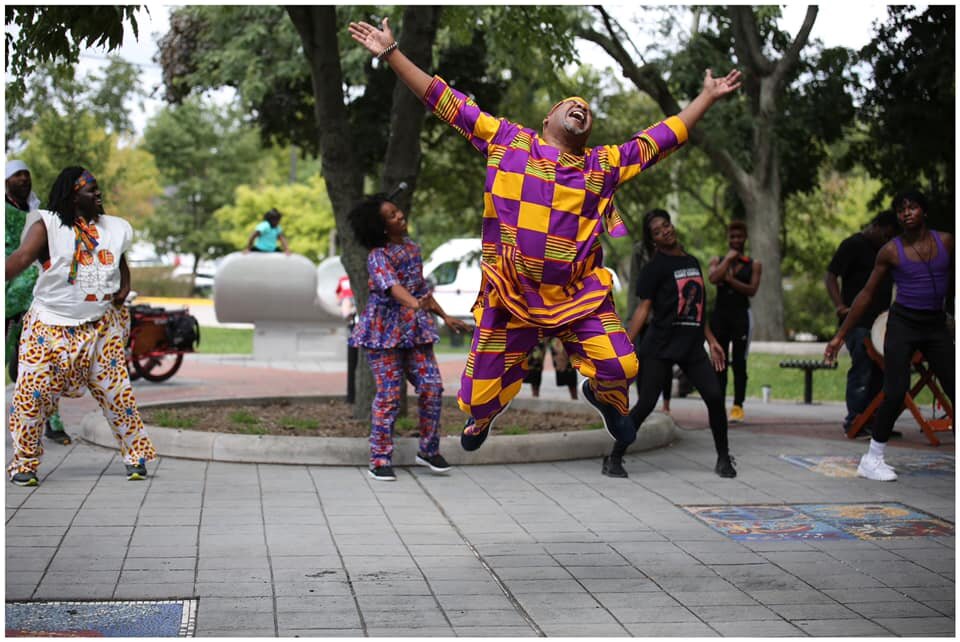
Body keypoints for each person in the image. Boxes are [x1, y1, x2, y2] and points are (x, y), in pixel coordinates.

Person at [348, 18, 742, 452]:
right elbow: (443, 100)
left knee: (621, 364)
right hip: (512, 293)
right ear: (548, 118)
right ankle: (484, 415)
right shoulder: (507, 141)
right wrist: (392, 53)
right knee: (474, 396)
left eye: (587, 109)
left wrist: (705, 96)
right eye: (571, 104)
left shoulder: (603, 165)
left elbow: (661, 139)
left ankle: (603, 396)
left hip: (577, 296)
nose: (582, 107)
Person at [5, 166, 157, 486]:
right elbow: (19, 259)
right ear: (73, 195)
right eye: (91, 189)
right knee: (31, 397)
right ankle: (25, 463)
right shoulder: (48, 225)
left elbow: (118, 260)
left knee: (118, 394)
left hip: (100, 327)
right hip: (47, 327)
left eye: (97, 188)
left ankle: (135, 455)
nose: (97, 193)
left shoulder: (113, 228)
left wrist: (125, 286)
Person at [825, 189, 954, 482]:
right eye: (901, 209)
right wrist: (840, 336)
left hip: (935, 325)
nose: (906, 213)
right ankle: (872, 459)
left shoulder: (947, 242)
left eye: (912, 207)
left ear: (924, 211)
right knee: (895, 391)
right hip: (903, 325)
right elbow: (866, 295)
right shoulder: (891, 251)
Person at [348, 194, 471, 481]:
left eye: (398, 212)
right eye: (391, 216)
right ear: (380, 226)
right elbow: (392, 288)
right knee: (390, 396)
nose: (400, 216)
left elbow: (421, 291)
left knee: (432, 388)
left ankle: (428, 450)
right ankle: (379, 459)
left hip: (415, 331)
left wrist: (445, 316)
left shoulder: (413, 249)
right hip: (383, 333)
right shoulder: (378, 256)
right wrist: (416, 305)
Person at [608, 209, 734, 479]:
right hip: (660, 344)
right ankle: (614, 457)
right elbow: (643, 309)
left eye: (666, 225)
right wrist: (626, 344)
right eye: (657, 231)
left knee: (714, 396)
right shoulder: (654, 268)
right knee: (646, 403)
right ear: (653, 240)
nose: (665, 231)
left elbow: (699, 308)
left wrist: (711, 341)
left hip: (691, 345)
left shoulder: (692, 261)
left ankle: (723, 458)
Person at [5, 160, 72, 446]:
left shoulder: (38, 212)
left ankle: (52, 421)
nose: (23, 179)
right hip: (12, 283)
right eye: (17, 175)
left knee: (46, 358)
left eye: (26, 175)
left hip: (36, 287)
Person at [824, 210, 900, 437]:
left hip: (881, 322)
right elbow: (830, 276)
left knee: (880, 370)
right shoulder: (853, 245)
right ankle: (855, 419)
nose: (888, 241)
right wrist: (839, 305)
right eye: (886, 235)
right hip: (857, 321)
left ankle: (874, 419)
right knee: (862, 368)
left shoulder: (886, 251)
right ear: (876, 226)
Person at [707, 220, 762, 424]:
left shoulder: (754, 264)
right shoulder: (718, 260)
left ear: (745, 238)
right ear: (728, 239)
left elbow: (752, 290)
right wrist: (727, 261)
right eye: (732, 237)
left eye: (739, 236)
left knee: (739, 362)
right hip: (720, 316)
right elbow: (713, 278)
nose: (736, 240)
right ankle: (718, 404)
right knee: (719, 361)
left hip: (741, 316)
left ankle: (738, 406)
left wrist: (730, 281)